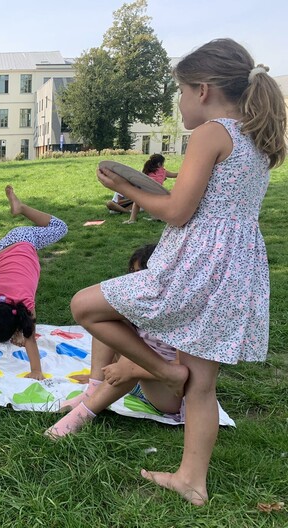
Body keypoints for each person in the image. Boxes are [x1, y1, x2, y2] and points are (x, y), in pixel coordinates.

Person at [69, 39, 286, 505]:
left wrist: (126, 189)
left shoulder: (211, 133)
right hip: (237, 268)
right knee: (202, 385)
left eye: (182, 92)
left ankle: (164, 370)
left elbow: (178, 212)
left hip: (197, 263)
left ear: (203, 90)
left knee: (84, 305)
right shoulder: (257, 135)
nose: (181, 102)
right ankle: (192, 480)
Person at [45, 244, 184, 437]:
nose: (135, 282)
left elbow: (184, 369)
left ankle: (79, 418)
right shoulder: (138, 306)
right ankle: (93, 389)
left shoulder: (181, 315)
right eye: (132, 274)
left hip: (167, 395)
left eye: (142, 275)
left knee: (134, 358)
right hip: (133, 381)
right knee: (106, 321)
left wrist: (131, 369)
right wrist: (103, 376)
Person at [0, 186, 68, 379]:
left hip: (21, 240)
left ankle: (21, 207)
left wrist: (36, 371)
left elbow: (29, 337)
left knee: (61, 228)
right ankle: (21, 208)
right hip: (1, 252)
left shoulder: (24, 303)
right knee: (58, 229)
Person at [124, 154, 178, 223]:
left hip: (146, 191)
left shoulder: (147, 170)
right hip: (158, 193)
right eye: (163, 163)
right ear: (159, 164)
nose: (164, 165)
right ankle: (156, 217)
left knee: (137, 202)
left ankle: (132, 219)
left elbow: (141, 180)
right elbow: (174, 175)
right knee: (154, 204)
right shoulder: (164, 171)